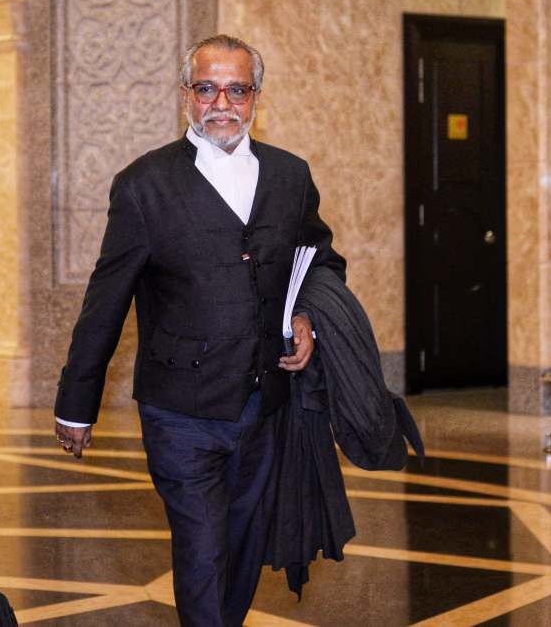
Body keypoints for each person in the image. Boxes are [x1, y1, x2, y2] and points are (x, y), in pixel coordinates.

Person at [53, 35, 345, 626]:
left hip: (265, 404)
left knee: (243, 548)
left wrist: (308, 316)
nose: (222, 104)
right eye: (207, 88)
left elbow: (320, 261)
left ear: (256, 96)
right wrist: (76, 404)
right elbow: (106, 300)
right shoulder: (143, 184)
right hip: (179, 410)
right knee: (202, 550)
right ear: (186, 94)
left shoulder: (290, 176)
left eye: (237, 90)